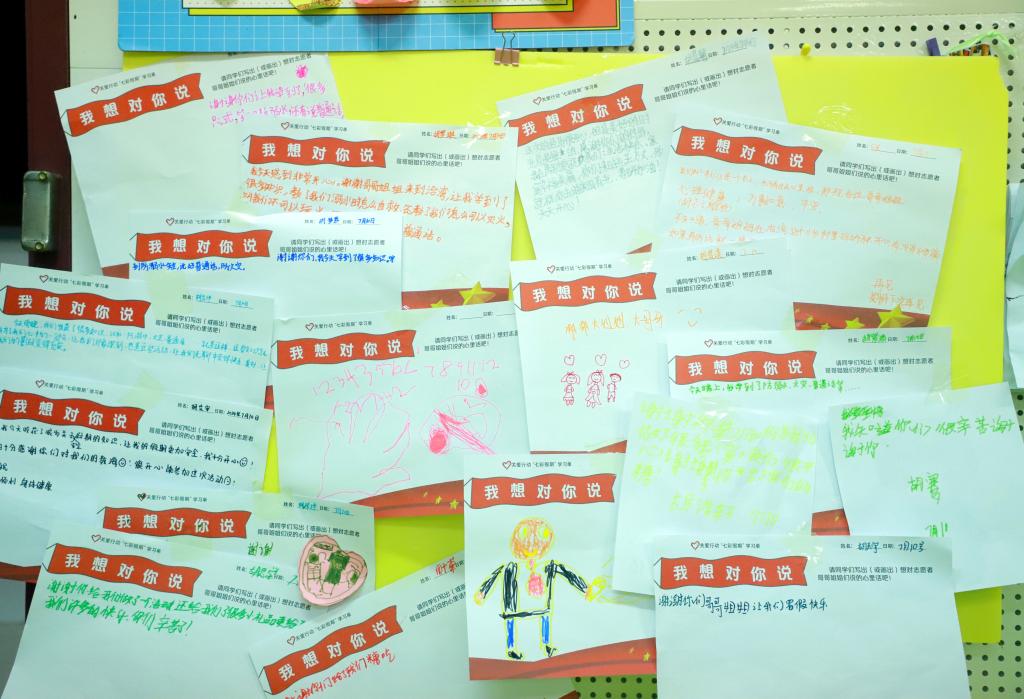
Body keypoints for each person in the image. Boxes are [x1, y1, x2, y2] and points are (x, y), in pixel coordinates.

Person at [473, 517, 596, 660]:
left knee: (544, 618)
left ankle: (546, 645)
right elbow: (495, 575)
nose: (532, 545)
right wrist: (483, 592)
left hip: (540, 605)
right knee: (513, 621)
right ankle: (511, 648)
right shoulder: (511, 567)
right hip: (514, 606)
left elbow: (568, 573)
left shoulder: (548, 565)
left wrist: (584, 587)